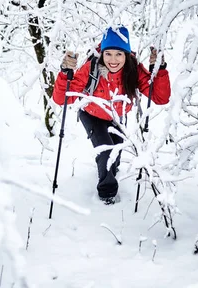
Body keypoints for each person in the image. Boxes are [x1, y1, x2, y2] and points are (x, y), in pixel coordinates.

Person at [52, 26, 171, 204]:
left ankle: (110, 170)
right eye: (108, 54)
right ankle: (107, 193)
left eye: (119, 54)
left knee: (115, 153)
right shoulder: (91, 68)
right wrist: (64, 73)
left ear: (126, 54)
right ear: (102, 53)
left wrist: (159, 69)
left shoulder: (133, 70)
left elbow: (160, 97)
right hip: (91, 113)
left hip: (116, 117)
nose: (113, 60)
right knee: (106, 150)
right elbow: (61, 98)